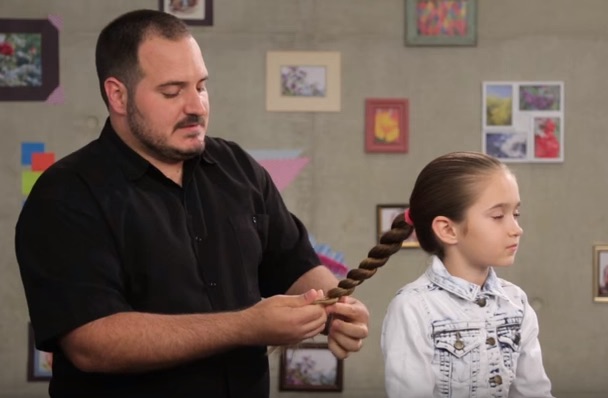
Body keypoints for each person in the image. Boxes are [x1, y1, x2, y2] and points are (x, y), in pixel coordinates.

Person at [14, 9, 368, 398]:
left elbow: (294, 263)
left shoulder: (237, 168)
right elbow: (92, 343)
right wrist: (245, 326)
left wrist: (335, 307)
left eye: (200, 86)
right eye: (172, 91)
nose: (196, 106)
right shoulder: (66, 195)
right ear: (117, 94)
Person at [376, 151, 553, 397]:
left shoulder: (517, 303)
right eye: (498, 216)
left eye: (516, 214)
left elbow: (534, 392)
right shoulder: (412, 308)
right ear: (448, 229)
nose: (517, 229)